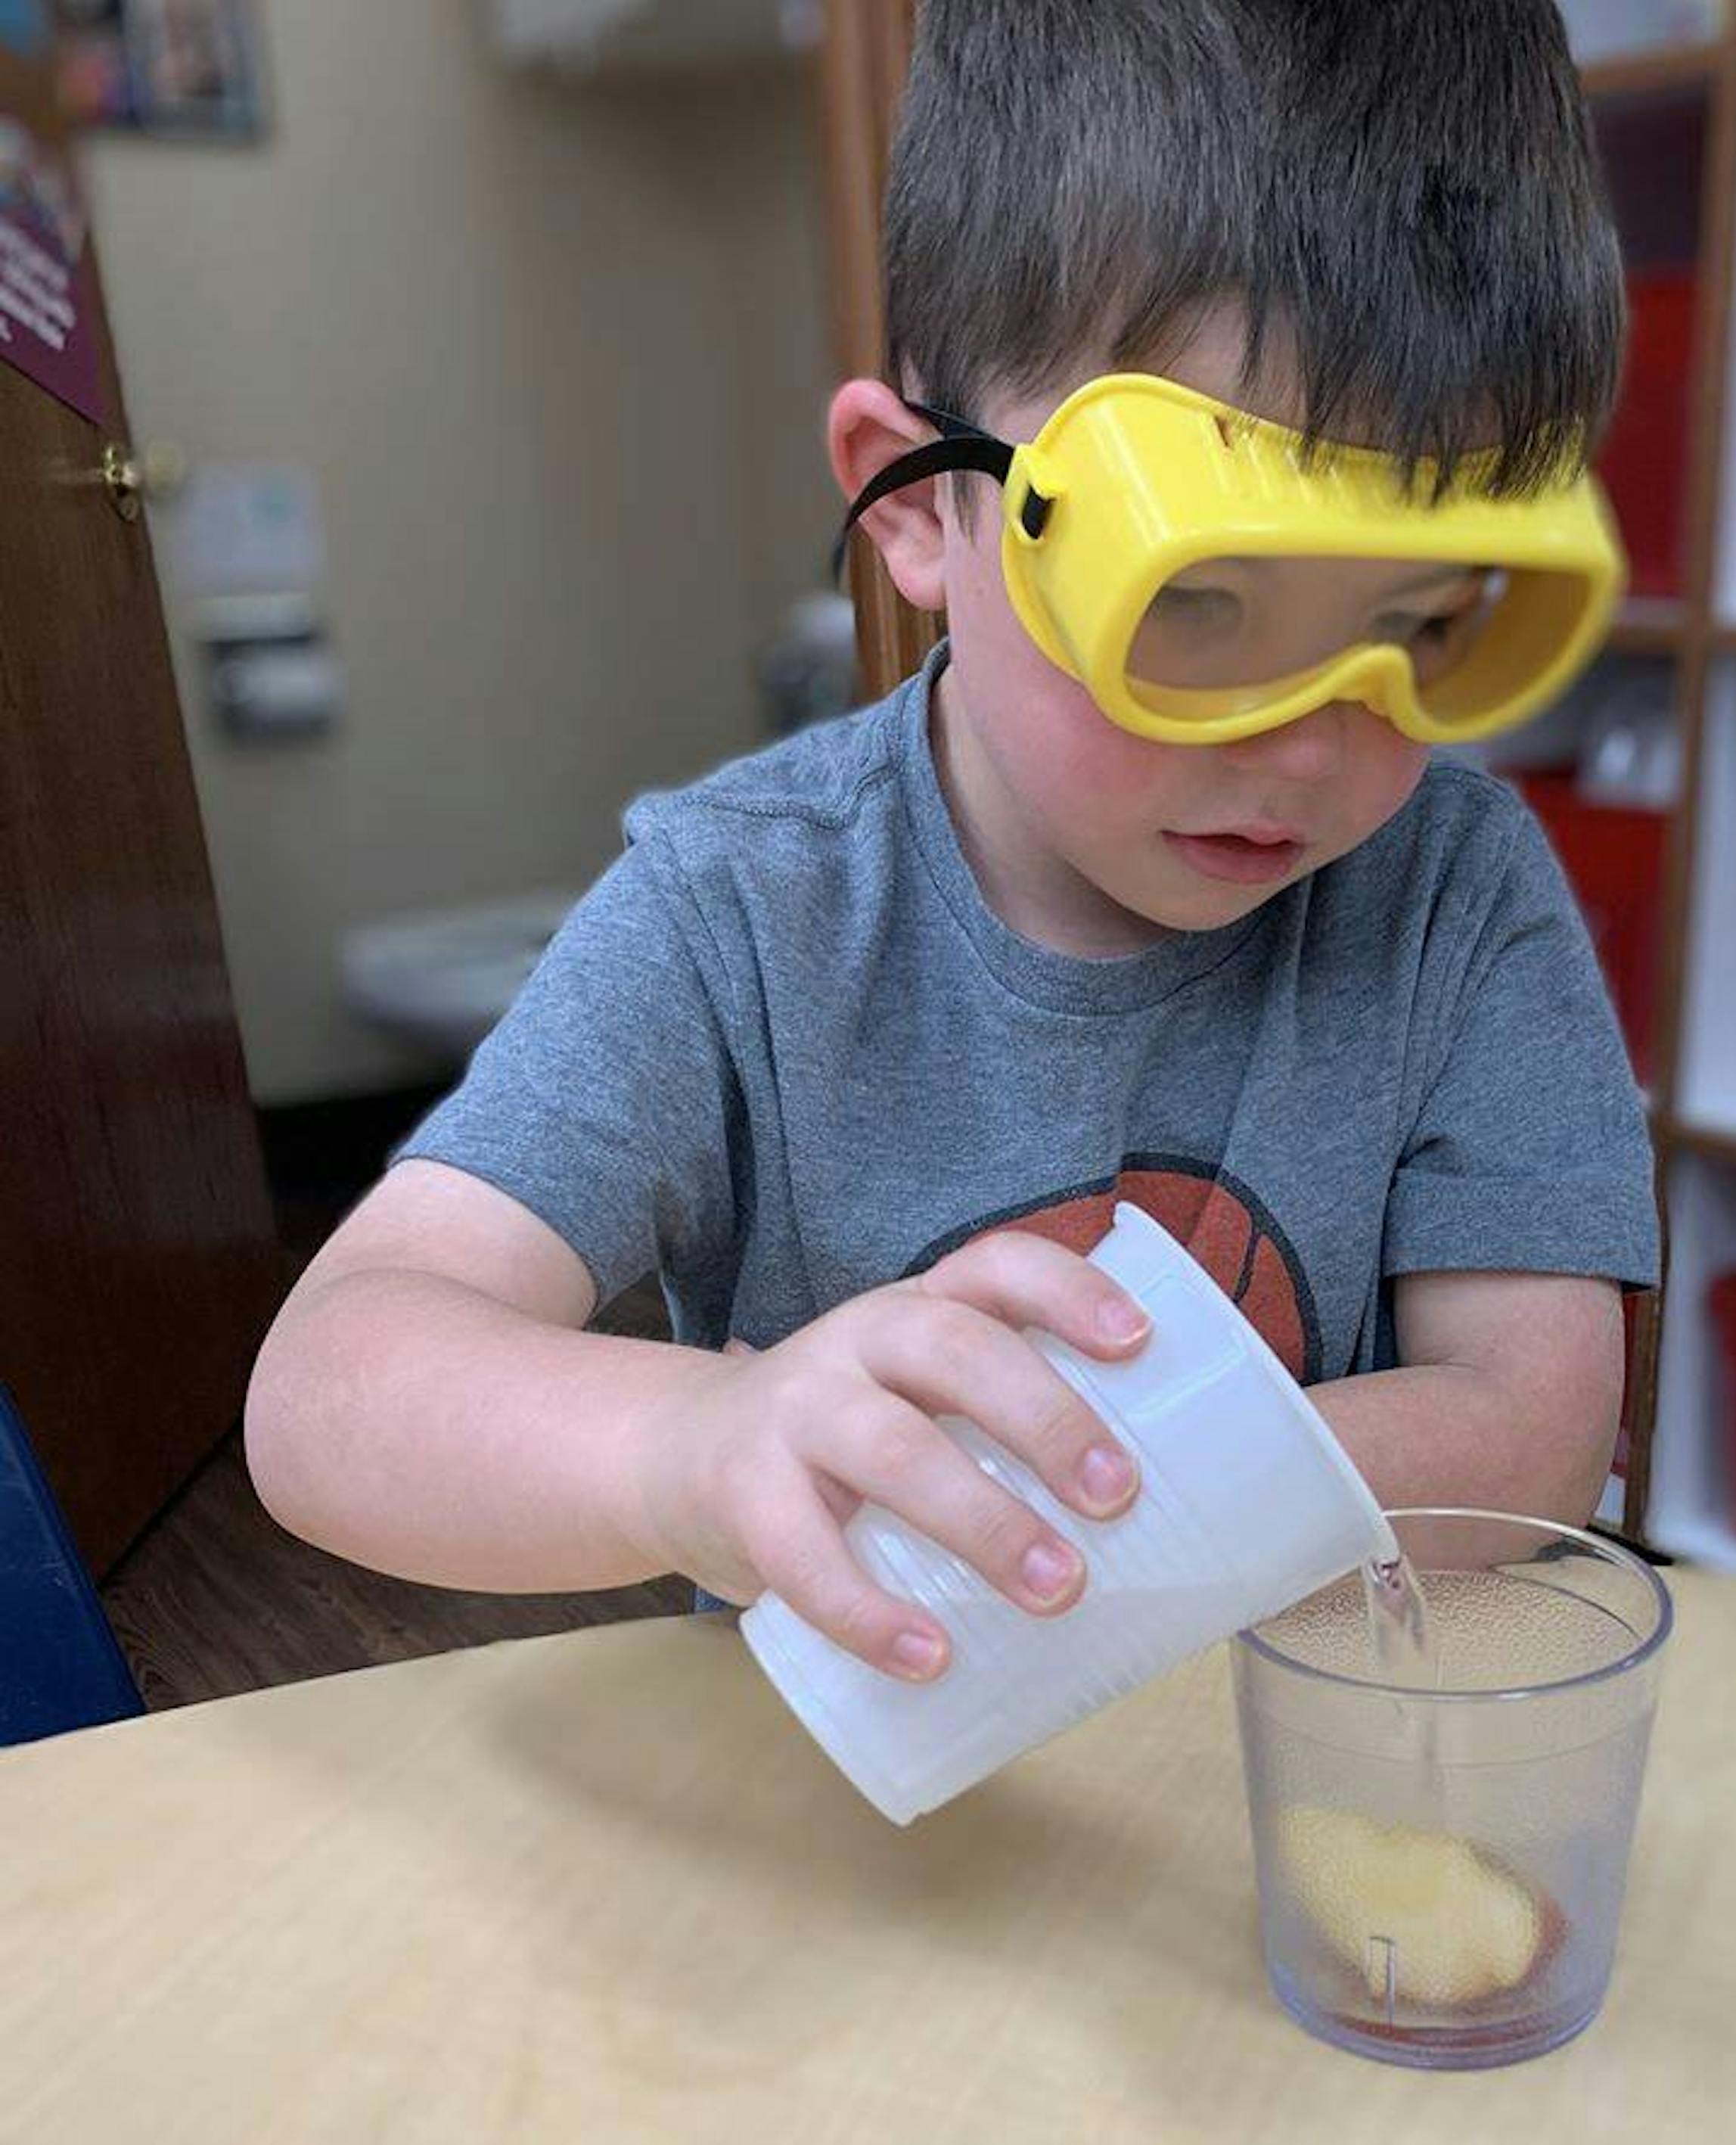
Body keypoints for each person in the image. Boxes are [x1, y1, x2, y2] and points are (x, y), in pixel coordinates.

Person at [247, 0, 1657, 1686]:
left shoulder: (1450, 891)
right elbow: (333, 1384)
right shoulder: (744, 907)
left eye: (1421, 622)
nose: (1310, 745)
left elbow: (1532, 1423)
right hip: (872, 1783)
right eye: (1197, 600)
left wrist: (1068, 1504)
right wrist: (691, 1449)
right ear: (921, 500)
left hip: (1289, 1774)